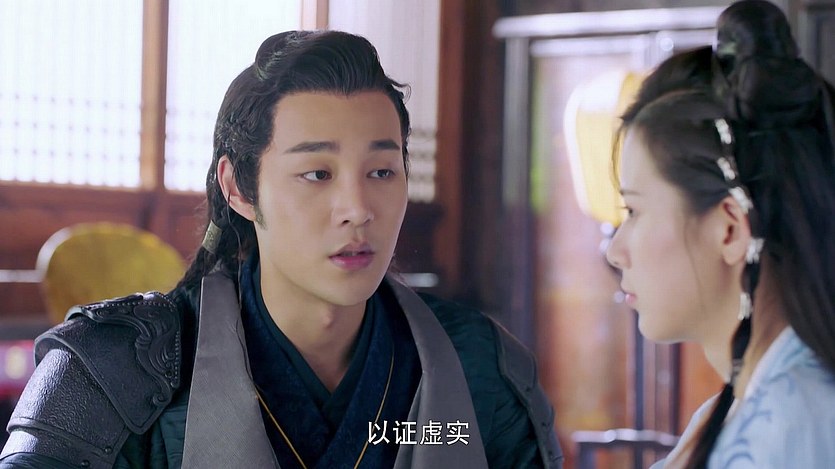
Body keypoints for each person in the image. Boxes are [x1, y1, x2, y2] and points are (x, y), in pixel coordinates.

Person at [0, 30, 562, 468]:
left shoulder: (482, 365)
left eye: (382, 171)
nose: (357, 208)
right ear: (239, 188)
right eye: (317, 173)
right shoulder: (112, 370)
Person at [605, 1, 835, 467]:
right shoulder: (739, 412)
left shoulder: (786, 430)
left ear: (730, 229)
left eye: (634, 210)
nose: (615, 250)